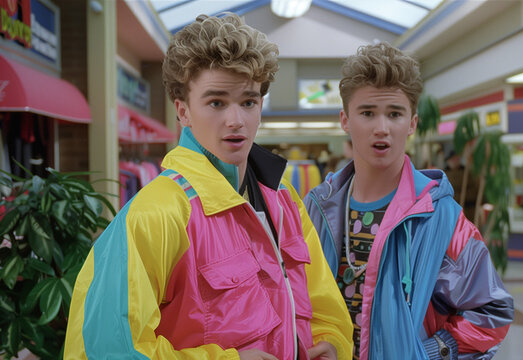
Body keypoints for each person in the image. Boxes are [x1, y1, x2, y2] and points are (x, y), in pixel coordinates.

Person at [65, 13, 352, 360]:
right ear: (183, 111)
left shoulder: (283, 200)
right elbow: (106, 348)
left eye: (248, 102)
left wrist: (330, 341)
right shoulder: (158, 213)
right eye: (216, 102)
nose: (236, 120)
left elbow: (323, 302)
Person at [303, 42, 513, 360]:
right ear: (345, 120)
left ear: (412, 123)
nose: (382, 128)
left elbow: (492, 312)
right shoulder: (317, 208)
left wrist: (426, 353)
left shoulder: (442, 218)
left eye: (395, 114)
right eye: (368, 113)